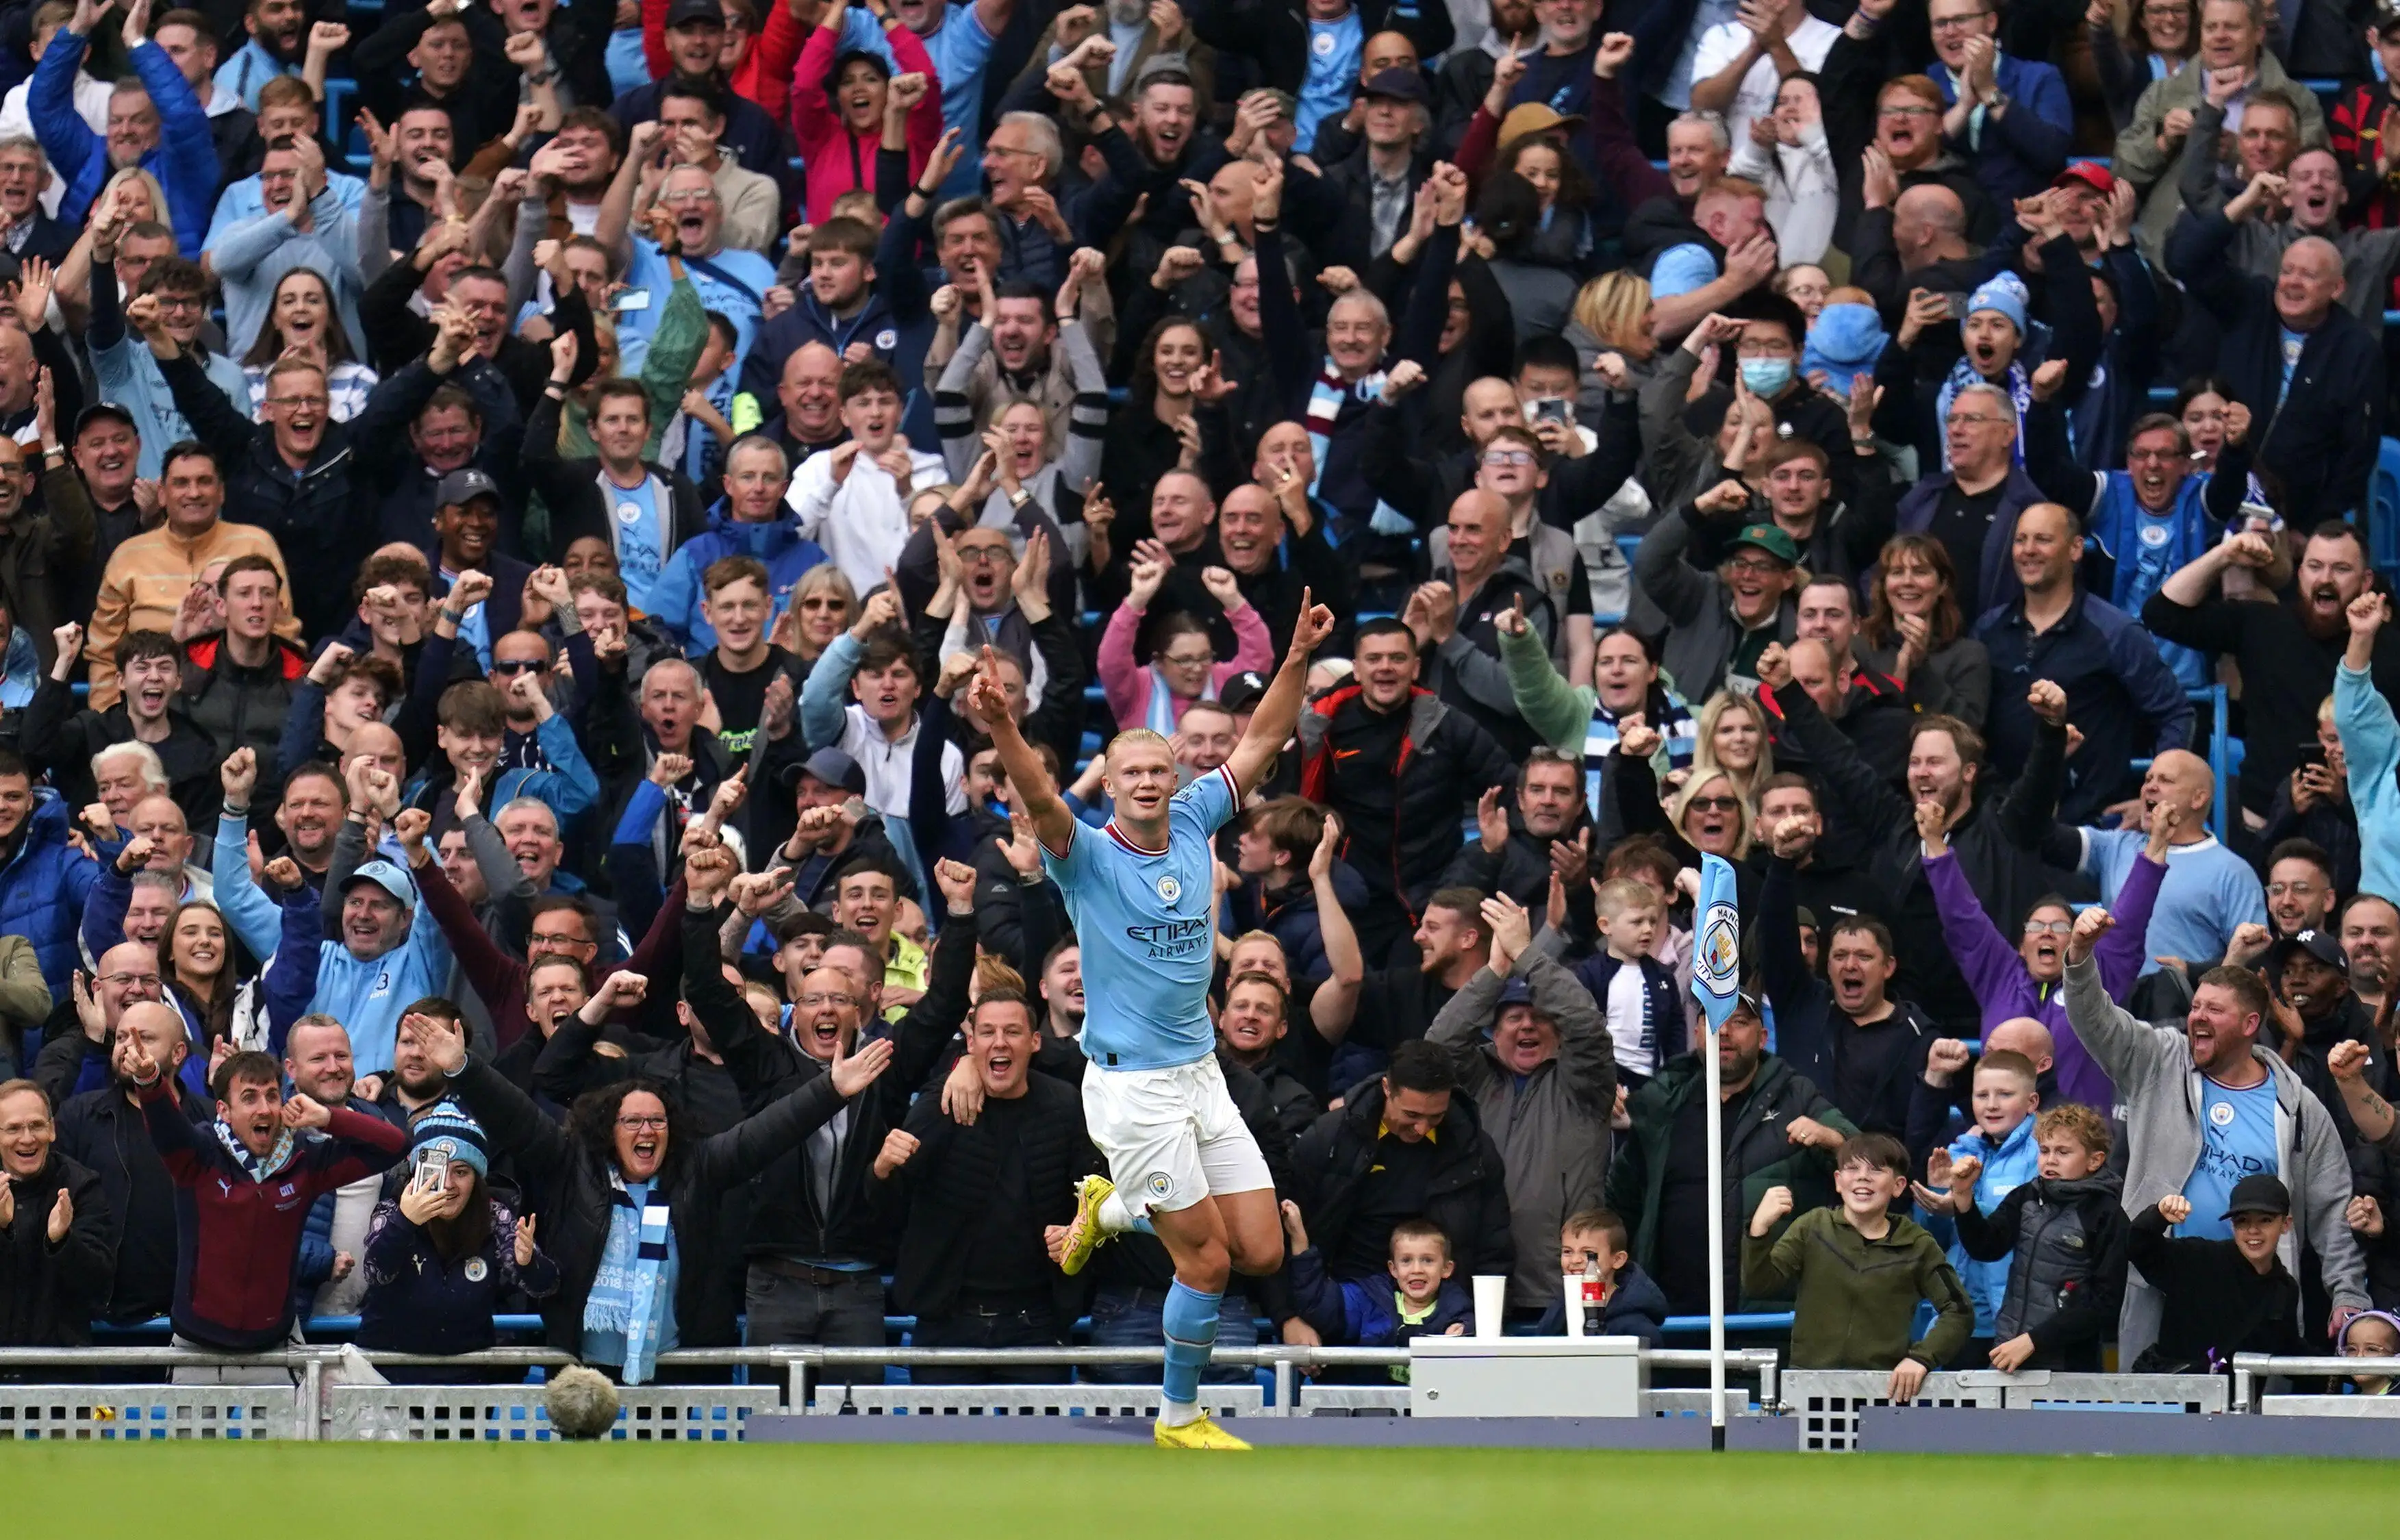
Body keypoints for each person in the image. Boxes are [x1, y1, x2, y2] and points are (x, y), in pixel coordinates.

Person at [985, 586, 1336, 1449]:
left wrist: (1293, 655)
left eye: (1158, 770)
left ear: (1174, 775)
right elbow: (1035, 793)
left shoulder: (1195, 819)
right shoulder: (1085, 854)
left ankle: (1107, 1211)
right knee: (1206, 1262)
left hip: (1200, 1073)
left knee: (1260, 1250)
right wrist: (1001, 727)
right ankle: (1179, 1416)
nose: (1146, 782)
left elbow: (1261, 738)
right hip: (1132, 1087)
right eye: (1129, 772)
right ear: (1108, 783)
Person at [405, 992, 894, 1385]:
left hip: (682, 1370)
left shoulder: (698, 1167)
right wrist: (462, 1067)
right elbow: (512, 1113)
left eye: (657, 1120)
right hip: (587, 1373)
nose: (647, 1130)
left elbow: (768, 1130)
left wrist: (830, 1090)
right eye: (633, 1120)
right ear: (607, 1128)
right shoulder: (569, 1163)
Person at [2060, 907, 2370, 1361]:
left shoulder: (2298, 1104)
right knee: (2153, 1422)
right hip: (2160, 1284)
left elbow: (2331, 1208)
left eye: (2214, 1010)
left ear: (2248, 1025)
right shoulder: (2158, 1062)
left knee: (2254, 1427)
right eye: (2195, 1006)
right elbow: (2096, 1020)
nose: (2196, 1017)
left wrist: (2347, 1293)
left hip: (2257, 1298)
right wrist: (2080, 955)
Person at [130, 1022, 408, 1359]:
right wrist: (149, 1080)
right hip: (197, 1346)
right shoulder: (199, 1154)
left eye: (272, 1096)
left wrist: (327, 1118)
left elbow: (394, 1146)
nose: (264, 1109)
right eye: (249, 1097)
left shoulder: (306, 1158)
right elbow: (165, 1125)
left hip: (275, 1346)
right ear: (224, 1111)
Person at [869, 988, 1102, 1383]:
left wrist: (1078, 1231)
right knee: (942, 1445)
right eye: (989, 1032)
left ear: (1035, 1042)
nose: (1000, 1042)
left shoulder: (1067, 1105)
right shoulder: (941, 1100)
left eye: (1012, 1032)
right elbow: (887, 1208)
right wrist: (881, 1168)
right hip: (947, 1319)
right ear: (971, 1042)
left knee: (1046, 1445)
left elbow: (1096, 1194)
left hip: (1038, 1322)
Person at [1608, 987, 1857, 1317]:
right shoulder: (1661, 1104)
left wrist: (1830, 1138)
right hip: (1671, 1316)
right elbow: (1620, 1203)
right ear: (1696, 1032)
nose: (1723, 1031)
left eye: (1738, 1021)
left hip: (1765, 1316)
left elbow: (1864, 1159)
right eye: (1712, 1020)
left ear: (1763, 1036)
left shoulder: (1795, 1095)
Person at [1425, 891, 1615, 1313]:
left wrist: (1526, 954)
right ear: (1495, 1031)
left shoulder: (1584, 1083)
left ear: (1557, 1031)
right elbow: (1437, 1048)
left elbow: (1585, 1024)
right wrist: (1495, 970)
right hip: (1479, 1289)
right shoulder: (1476, 1077)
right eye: (1513, 1016)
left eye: (1539, 1016)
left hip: (1561, 1291)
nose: (1527, 1024)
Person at [1745, 1131, 1974, 1393]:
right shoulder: (1813, 1226)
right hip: (1809, 1388)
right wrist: (1758, 1230)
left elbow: (1959, 1311)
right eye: (1852, 1168)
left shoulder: (1918, 1244)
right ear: (1838, 1181)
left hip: (1883, 1391)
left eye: (1876, 1170)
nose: (1863, 1176)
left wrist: (1922, 1357)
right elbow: (1759, 1286)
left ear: (1899, 1186)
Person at [1933, 1101, 2127, 1372]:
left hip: (2070, 1364)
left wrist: (2034, 1341)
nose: (2050, 1160)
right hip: (2008, 1352)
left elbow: (2105, 1303)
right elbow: (1986, 1247)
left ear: (2094, 1160)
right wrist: (1964, 1198)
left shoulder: (2107, 1214)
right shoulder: (2026, 1195)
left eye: (2063, 1152)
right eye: (2045, 1150)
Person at [2127, 1176, 2309, 1371]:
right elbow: (2138, 1247)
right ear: (2232, 1225)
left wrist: (2341, 1367)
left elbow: (2287, 1350)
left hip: (2237, 1399)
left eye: (2265, 1220)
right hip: (2172, 1394)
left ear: (2286, 1224)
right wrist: (2158, 1215)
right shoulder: (2199, 1259)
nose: (2253, 1230)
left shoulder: (2285, 1288)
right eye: (2242, 1221)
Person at [0, 1077, 112, 1346]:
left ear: (52, 1130)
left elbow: (99, 1286)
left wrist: (62, 1241)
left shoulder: (81, 1186)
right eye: (13, 1128)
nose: (27, 1139)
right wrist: (3, 1230)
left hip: (61, 1369)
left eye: (37, 1126)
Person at [1281, 1206, 1471, 1354]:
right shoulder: (1370, 1300)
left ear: (1447, 1269)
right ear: (1393, 1269)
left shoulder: (1457, 1310)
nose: (1416, 1270)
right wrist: (1299, 1239)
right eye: (1406, 1261)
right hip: (1375, 1404)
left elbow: (1480, 1328)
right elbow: (1319, 1305)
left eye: (1427, 1261)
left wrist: (1466, 1330)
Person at [1569, 876, 1677, 1089]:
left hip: (1654, 1082)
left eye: (1652, 921)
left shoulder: (1663, 975)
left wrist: (1674, 1078)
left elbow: (1675, 1030)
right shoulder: (1590, 973)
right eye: (1637, 922)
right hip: (1607, 1079)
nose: (1648, 929)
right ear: (1605, 925)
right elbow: (1580, 1033)